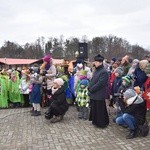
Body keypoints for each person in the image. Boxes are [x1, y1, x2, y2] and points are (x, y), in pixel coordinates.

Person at [89, 54, 109, 128]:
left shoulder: (104, 72)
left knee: (100, 110)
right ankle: (96, 122)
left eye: (96, 62)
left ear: (100, 62)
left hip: (99, 93)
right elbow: (93, 80)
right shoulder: (97, 70)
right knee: (95, 109)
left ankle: (101, 123)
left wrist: (91, 89)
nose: (95, 63)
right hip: (94, 93)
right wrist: (89, 86)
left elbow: (100, 83)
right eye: (95, 62)